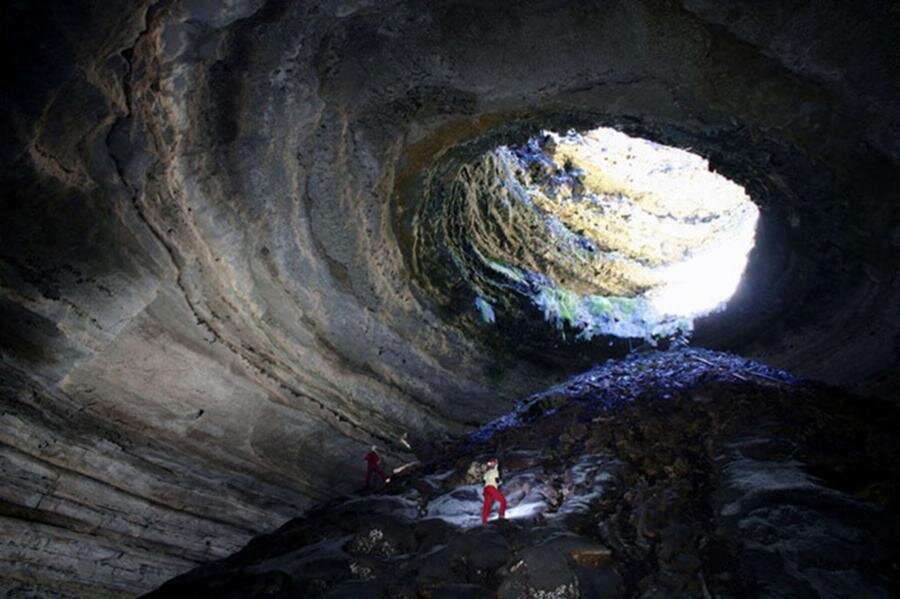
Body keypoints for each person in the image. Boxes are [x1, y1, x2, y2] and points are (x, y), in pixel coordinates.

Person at [481, 457, 507, 524]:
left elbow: (483, 482)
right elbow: (497, 480)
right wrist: (500, 482)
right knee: (503, 500)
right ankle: (501, 515)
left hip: (486, 489)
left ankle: (484, 521)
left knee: (487, 505)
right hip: (491, 488)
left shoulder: (486, 473)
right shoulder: (495, 471)